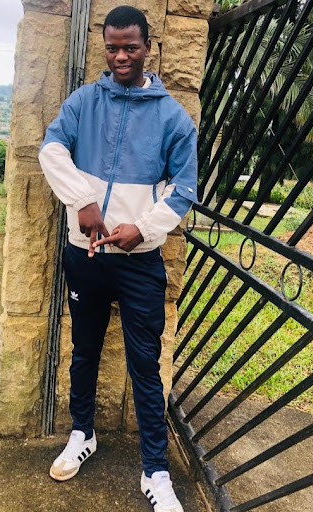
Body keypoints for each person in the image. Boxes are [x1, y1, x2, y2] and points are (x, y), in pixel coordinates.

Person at [39, 5, 197, 512]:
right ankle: (81, 433)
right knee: (83, 351)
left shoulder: (173, 118)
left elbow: (183, 189)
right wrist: (82, 201)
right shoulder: (84, 102)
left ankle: (156, 472)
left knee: (145, 365)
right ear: (104, 48)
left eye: (131, 46)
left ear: (148, 46)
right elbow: (51, 150)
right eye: (113, 47)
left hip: (139, 263)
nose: (121, 56)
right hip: (84, 254)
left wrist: (143, 230)